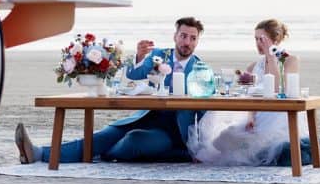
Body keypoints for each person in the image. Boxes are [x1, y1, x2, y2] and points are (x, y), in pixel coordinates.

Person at [15, 17, 207, 163]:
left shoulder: (201, 69)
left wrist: (199, 148)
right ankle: (38, 153)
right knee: (105, 135)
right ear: (175, 36)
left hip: (171, 133)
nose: (187, 42)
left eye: (192, 38)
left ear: (197, 42)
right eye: (183, 36)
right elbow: (133, 75)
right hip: (145, 116)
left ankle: (100, 153)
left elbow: (205, 110)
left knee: (134, 140)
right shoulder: (159, 54)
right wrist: (140, 57)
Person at [188, 18, 320, 166]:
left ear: (275, 39)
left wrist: (271, 57)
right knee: (224, 137)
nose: (258, 44)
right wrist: (251, 117)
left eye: (262, 39)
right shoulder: (254, 65)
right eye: (256, 39)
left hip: (280, 117)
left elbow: (278, 89)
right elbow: (249, 96)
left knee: (269, 145)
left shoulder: (290, 60)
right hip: (259, 115)